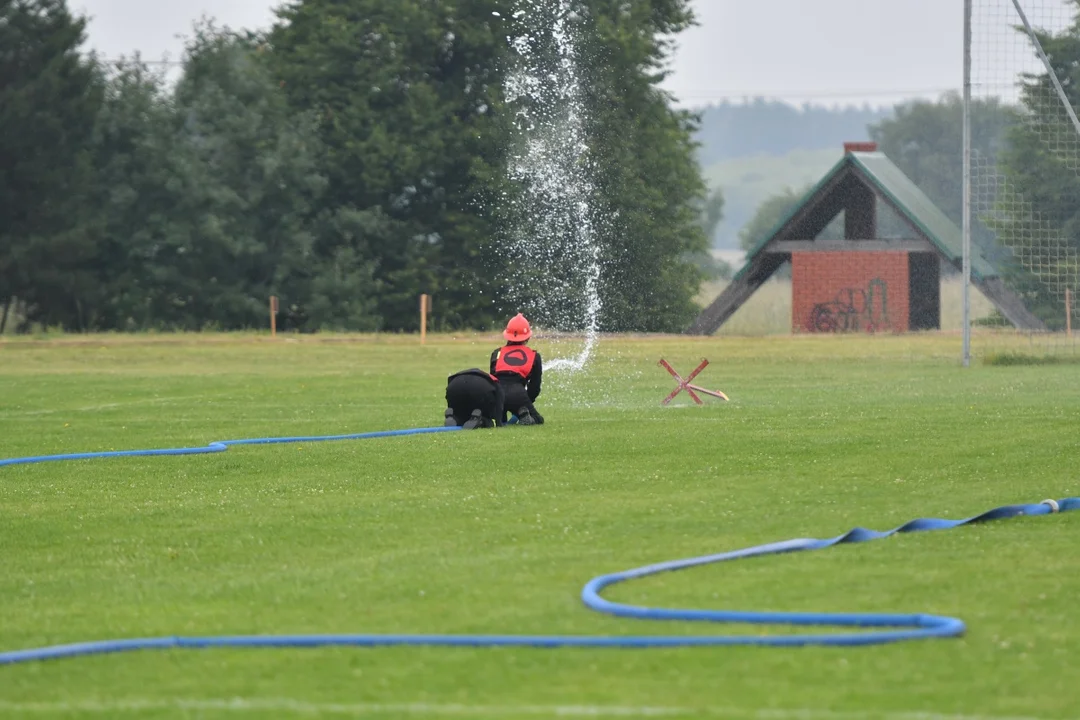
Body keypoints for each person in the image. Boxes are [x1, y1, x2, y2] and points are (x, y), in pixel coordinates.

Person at [490, 313, 544, 426]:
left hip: (498, 393)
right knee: (538, 419)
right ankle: (525, 416)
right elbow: (534, 387)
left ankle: (501, 418)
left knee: (501, 420)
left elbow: (492, 380)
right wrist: (527, 403)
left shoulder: (497, 353)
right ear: (527, 336)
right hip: (517, 393)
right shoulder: (534, 356)